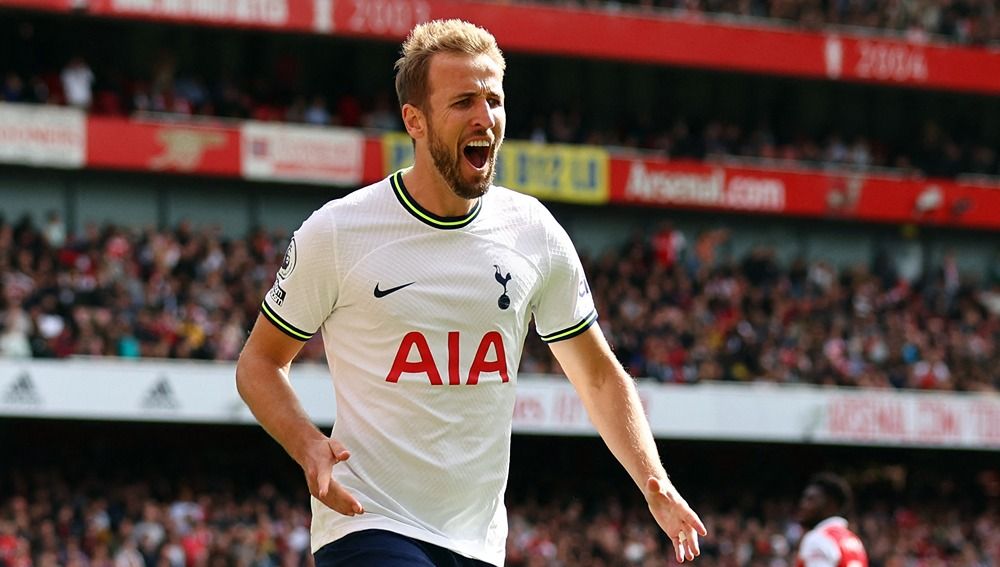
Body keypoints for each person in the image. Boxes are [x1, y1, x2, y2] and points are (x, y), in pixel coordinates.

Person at [236, 19, 705, 567]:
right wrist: (306, 442)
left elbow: (599, 376)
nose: (485, 117)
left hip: (477, 541)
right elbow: (259, 363)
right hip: (368, 521)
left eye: (494, 100)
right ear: (415, 120)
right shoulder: (340, 231)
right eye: (463, 102)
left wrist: (656, 483)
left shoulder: (533, 232)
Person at [796, 473, 868, 567]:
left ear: (830, 505)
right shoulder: (854, 539)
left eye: (811, 499)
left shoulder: (818, 538)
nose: (803, 505)